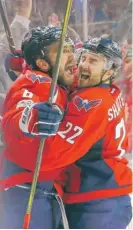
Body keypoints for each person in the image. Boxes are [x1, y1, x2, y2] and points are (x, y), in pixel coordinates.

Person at [1, 25, 75, 229]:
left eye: (70, 49)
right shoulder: (38, 82)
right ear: (42, 63)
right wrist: (30, 117)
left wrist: (25, 61)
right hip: (26, 189)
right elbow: (16, 115)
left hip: (41, 187)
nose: (71, 57)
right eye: (62, 51)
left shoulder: (52, 77)